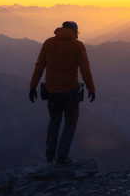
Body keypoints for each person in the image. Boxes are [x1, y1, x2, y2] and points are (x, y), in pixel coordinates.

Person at [29, 21, 96, 166]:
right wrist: (91, 89)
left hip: (52, 91)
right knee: (70, 124)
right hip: (71, 91)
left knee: (54, 121)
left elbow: (39, 66)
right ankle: (61, 158)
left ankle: (49, 157)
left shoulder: (48, 43)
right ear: (74, 32)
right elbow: (85, 70)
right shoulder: (77, 46)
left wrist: (33, 86)